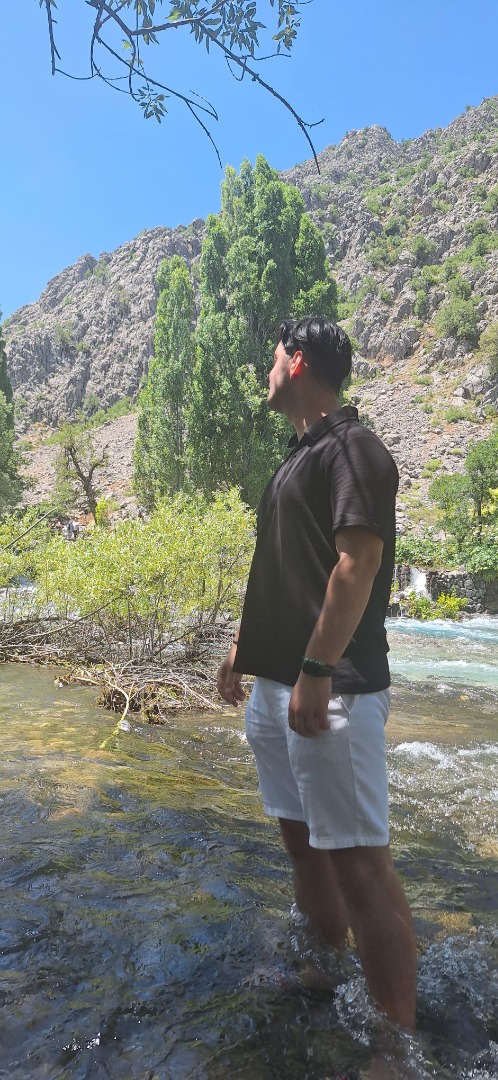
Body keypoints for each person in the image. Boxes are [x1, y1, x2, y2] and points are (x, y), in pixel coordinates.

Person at [217, 316, 417, 1034]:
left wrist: (315, 669)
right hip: (282, 685)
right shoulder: (294, 460)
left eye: (273, 357)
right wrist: (242, 647)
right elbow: (282, 566)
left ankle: (396, 1043)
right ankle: (324, 967)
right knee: (305, 847)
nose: (266, 370)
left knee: (362, 865)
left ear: (298, 361)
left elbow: (357, 563)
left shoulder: (354, 448)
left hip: (335, 690)